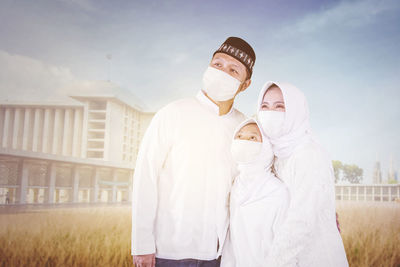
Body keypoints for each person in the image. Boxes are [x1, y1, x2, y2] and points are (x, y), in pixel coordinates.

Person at [131, 37, 256, 267]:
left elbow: (262, 178)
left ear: (245, 84)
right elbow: (145, 178)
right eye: (217, 65)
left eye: (233, 70)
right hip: (168, 251)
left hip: (220, 254)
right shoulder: (172, 113)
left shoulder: (244, 129)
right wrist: (141, 245)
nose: (222, 73)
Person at [257, 81, 349, 267]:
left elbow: (302, 221)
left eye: (280, 106)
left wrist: (274, 262)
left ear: (295, 111)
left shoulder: (308, 153)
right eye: (264, 106)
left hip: (316, 256)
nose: (270, 112)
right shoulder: (275, 152)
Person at [220, 118, 290, 267]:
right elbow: (231, 243)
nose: (244, 141)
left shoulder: (278, 192)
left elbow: (285, 247)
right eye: (239, 136)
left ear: (266, 147)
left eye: (253, 138)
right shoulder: (234, 186)